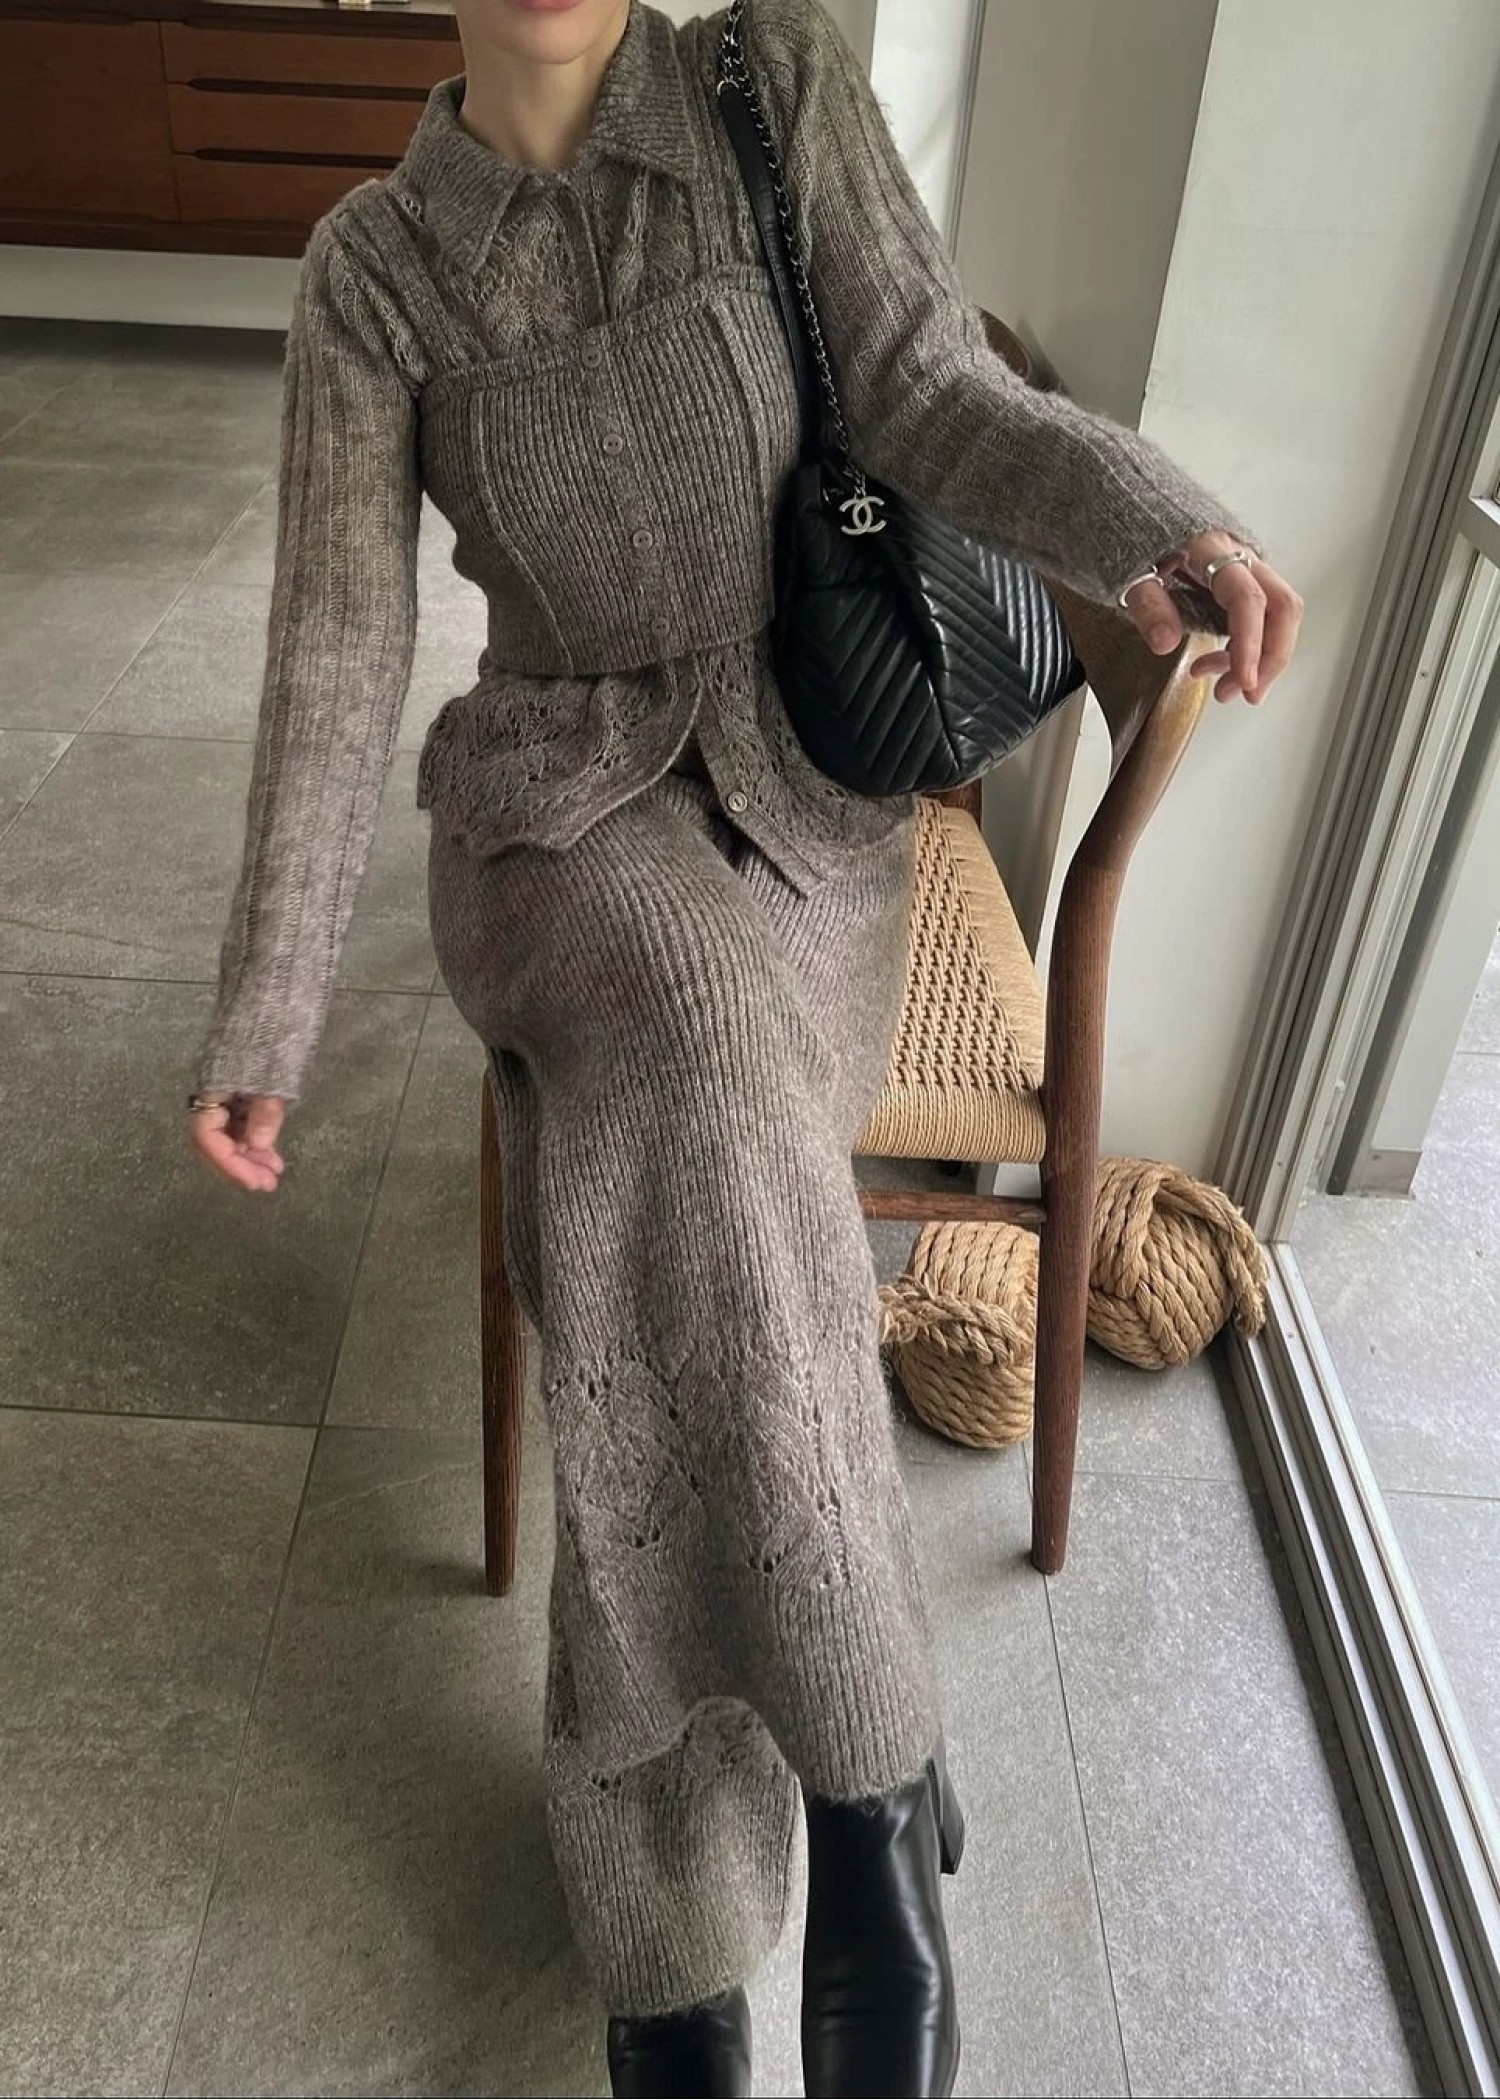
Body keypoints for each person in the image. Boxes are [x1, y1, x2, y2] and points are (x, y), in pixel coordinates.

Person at [186, 0, 1303, 2092]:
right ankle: (876, 1782)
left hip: (812, 812)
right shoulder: (374, 271)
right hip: (552, 828)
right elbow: (337, 644)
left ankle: (671, 1949)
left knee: (658, 1195)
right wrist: (266, 1004)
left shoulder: (766, 91)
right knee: (692, 1055)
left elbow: (936, 391)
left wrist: (1157, 518)